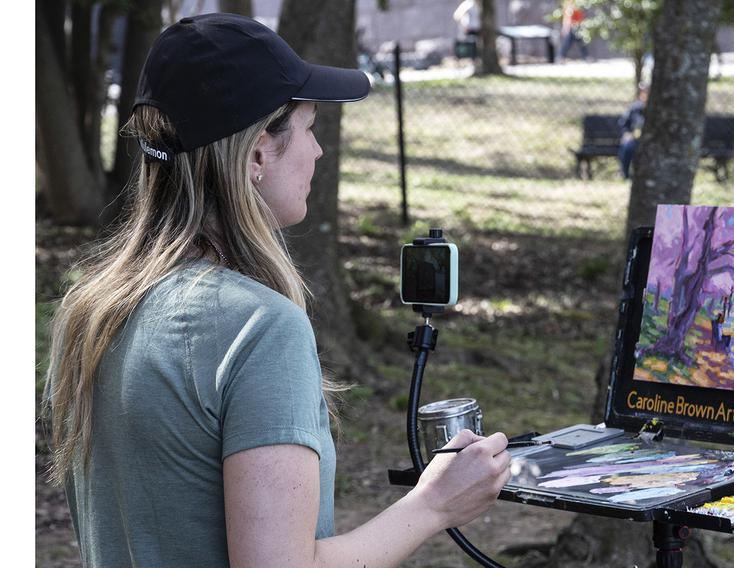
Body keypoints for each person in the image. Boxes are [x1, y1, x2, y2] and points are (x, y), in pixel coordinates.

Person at [42, 13, 511, 567]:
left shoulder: (91, 311)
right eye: (309, 130)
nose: (318, 152)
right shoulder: (259, 327)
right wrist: (434, 505)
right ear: (259, 153)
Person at [618, 83, 648, 179]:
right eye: (643, 91)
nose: (645, 93)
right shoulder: (634, 108)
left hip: (650, 139)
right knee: (627, 147)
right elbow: (624, 124)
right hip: (634, 139)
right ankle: (625, 174)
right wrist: (626, 134)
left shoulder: (656, 108)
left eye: (647, 91)